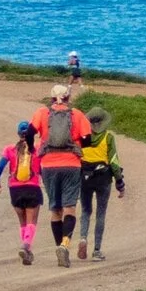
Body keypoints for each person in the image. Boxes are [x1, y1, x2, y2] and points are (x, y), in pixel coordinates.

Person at [32, 85, 93, 267]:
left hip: (49, 165)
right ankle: (65, 245)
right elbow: (88, 140)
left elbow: (29, 133)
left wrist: (34, 148)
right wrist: (75, 146)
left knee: (55, 209)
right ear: (68, 98)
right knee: (69, 207)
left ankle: (59, 244)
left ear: (51, 98)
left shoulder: (42, 113)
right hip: (71, 164)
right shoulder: (77, 114)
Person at [77, 106, 126, 262]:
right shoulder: (108, 137)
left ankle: (83, 238)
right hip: (103, 178)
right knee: (101, 213)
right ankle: (97, 250)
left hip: (84, 176)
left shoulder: (83, 138)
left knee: (85, 211)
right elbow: (114, 161)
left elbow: (78, 156)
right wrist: (120, 182)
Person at [0, 121, 46, 264]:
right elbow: (42, 168)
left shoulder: (10, 149)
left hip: (15, 189)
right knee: (32, 220)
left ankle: (25, 247)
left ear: (18, 134)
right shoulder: (37, 149)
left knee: (22, 221)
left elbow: (0, 166)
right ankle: (26, 245)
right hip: (32, 187)